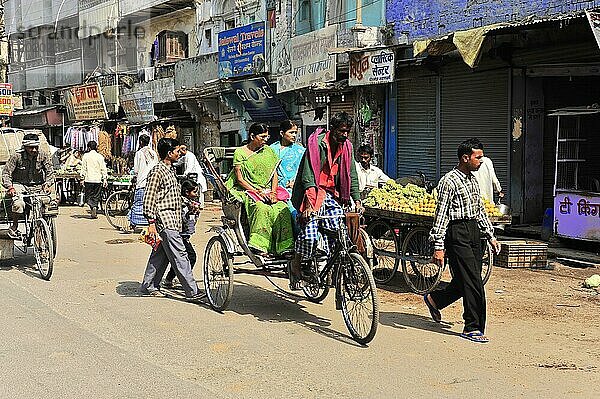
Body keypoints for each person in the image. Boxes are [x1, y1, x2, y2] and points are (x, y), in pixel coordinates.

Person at [425, 138, 501, 344]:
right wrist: (438, 246)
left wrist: (490, 235)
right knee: (474, 281)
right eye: (478, 157)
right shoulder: (448, 181)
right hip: (456, 232)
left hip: (474, 232)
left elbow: (479, 211)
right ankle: (472, 327)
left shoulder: (472, 180)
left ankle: (435, 300)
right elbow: (441, 215)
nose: (481, 161)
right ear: (465, 158)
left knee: (465, 280)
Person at [289, 112, 362, 290]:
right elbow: (307, 177)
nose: (345, 135)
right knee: (310, 235)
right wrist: (309, 205)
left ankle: (335, 268)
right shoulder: (317, 144)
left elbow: (351, 174)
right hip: (313, 193)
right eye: (341, 131)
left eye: (348, 131)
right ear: (333, 129)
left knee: (341, 232)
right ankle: (296, 264)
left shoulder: (347, 147)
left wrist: (357, 200)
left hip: (332, 195)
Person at [140, 137, 200, 298]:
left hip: (175, 219)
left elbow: (171, 196)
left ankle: (149, 286)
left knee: (161, 256)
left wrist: (189, 203)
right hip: (165, 220)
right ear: (169, 153)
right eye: (176, 150)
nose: (179, 153)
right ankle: (192, 291)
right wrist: (151, 222)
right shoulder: (157, 171)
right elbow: (149, 198)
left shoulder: (171, 170)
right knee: (180, 256)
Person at [225, 123, 294, 256]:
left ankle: (285, 246)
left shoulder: (268, 151)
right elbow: (240, 179)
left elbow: (274, 174)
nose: (265, 140)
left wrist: (273, 192)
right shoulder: (240, 152)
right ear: (252, 136)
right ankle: (259, 246)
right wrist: (256, 191)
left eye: (267, 137)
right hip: (249, 191)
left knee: (282, 209)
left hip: (268, 190)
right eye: (262, 137)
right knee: (261, 208)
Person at [2, 133, 55, 239]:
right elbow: (6, 174)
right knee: (18, 204)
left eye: (36, 147)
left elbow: (50, 172)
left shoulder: (43, 155)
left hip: (38, 186)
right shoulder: (16, 156)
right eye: (31, 148)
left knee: (49, 202)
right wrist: (10, 187)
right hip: (19, 186)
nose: (34, 150)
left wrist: (48, 184)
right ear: (25, 146)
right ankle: (15, 226)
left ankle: (42, 225)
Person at [163, 179, 201, 288]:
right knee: (190, 257)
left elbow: (192, 222)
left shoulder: (190, 204)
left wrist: (194, 211)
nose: (196, 194)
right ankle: (181, 279)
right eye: (194, 192)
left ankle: (170, 279)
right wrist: (190, 211)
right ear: (186, 192)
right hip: (179, 235)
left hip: (184, 235)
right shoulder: (182, 204)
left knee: (178, 258)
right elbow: (182, 220)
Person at [128, 134, 158, 228]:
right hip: (152, 183)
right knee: (150, 205)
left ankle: (134, 223)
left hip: (142, 182)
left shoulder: (139, 153)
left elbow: (136, 170)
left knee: (138, 203)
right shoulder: (153, 153)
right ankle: (150, 223)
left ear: (140, 142)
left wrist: (134, 175)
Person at [80, 141, 107, 219]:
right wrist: (105, 179)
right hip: (98, 180)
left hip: (89, 179)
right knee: (96, 195)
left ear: (88, 147)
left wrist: (82, 178)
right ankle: (94, 206)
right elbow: (103, 169)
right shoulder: (100, 156)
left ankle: (92, 207)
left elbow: (83, 168)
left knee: (88, 195)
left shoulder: (86, 156)